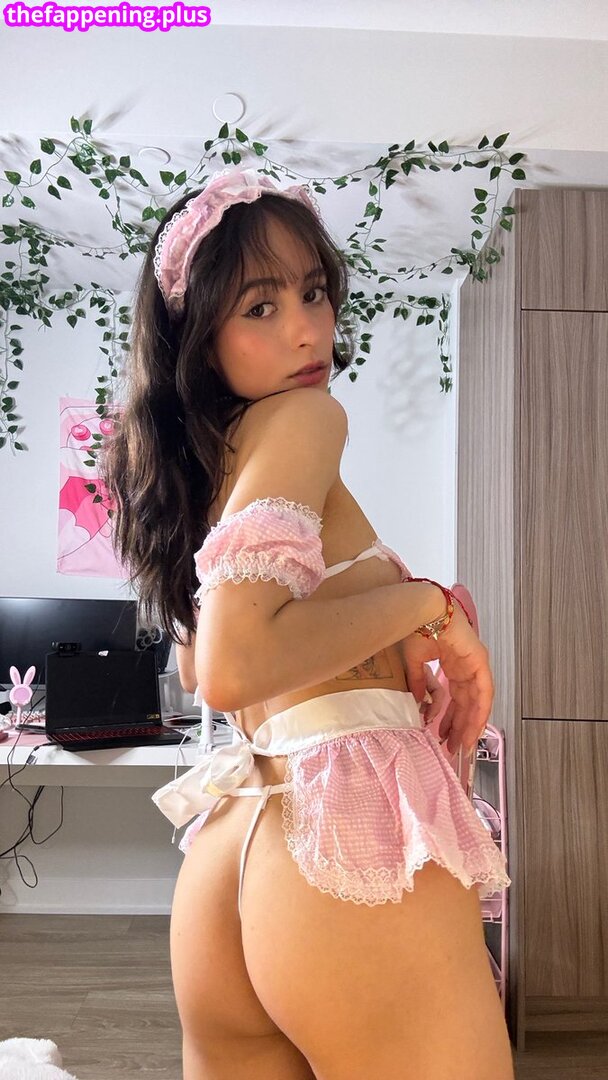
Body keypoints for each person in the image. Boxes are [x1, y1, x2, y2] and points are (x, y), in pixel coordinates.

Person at [102, 166, 514, 1080]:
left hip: (238, 841)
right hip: (344, 834)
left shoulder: (209, 463)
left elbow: (213, 663)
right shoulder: (304, 419)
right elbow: (234, 663)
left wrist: (400, 628)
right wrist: (427, 606)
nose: (306, 329)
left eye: (314, 292)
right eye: (260, 306)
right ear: (198, 339)